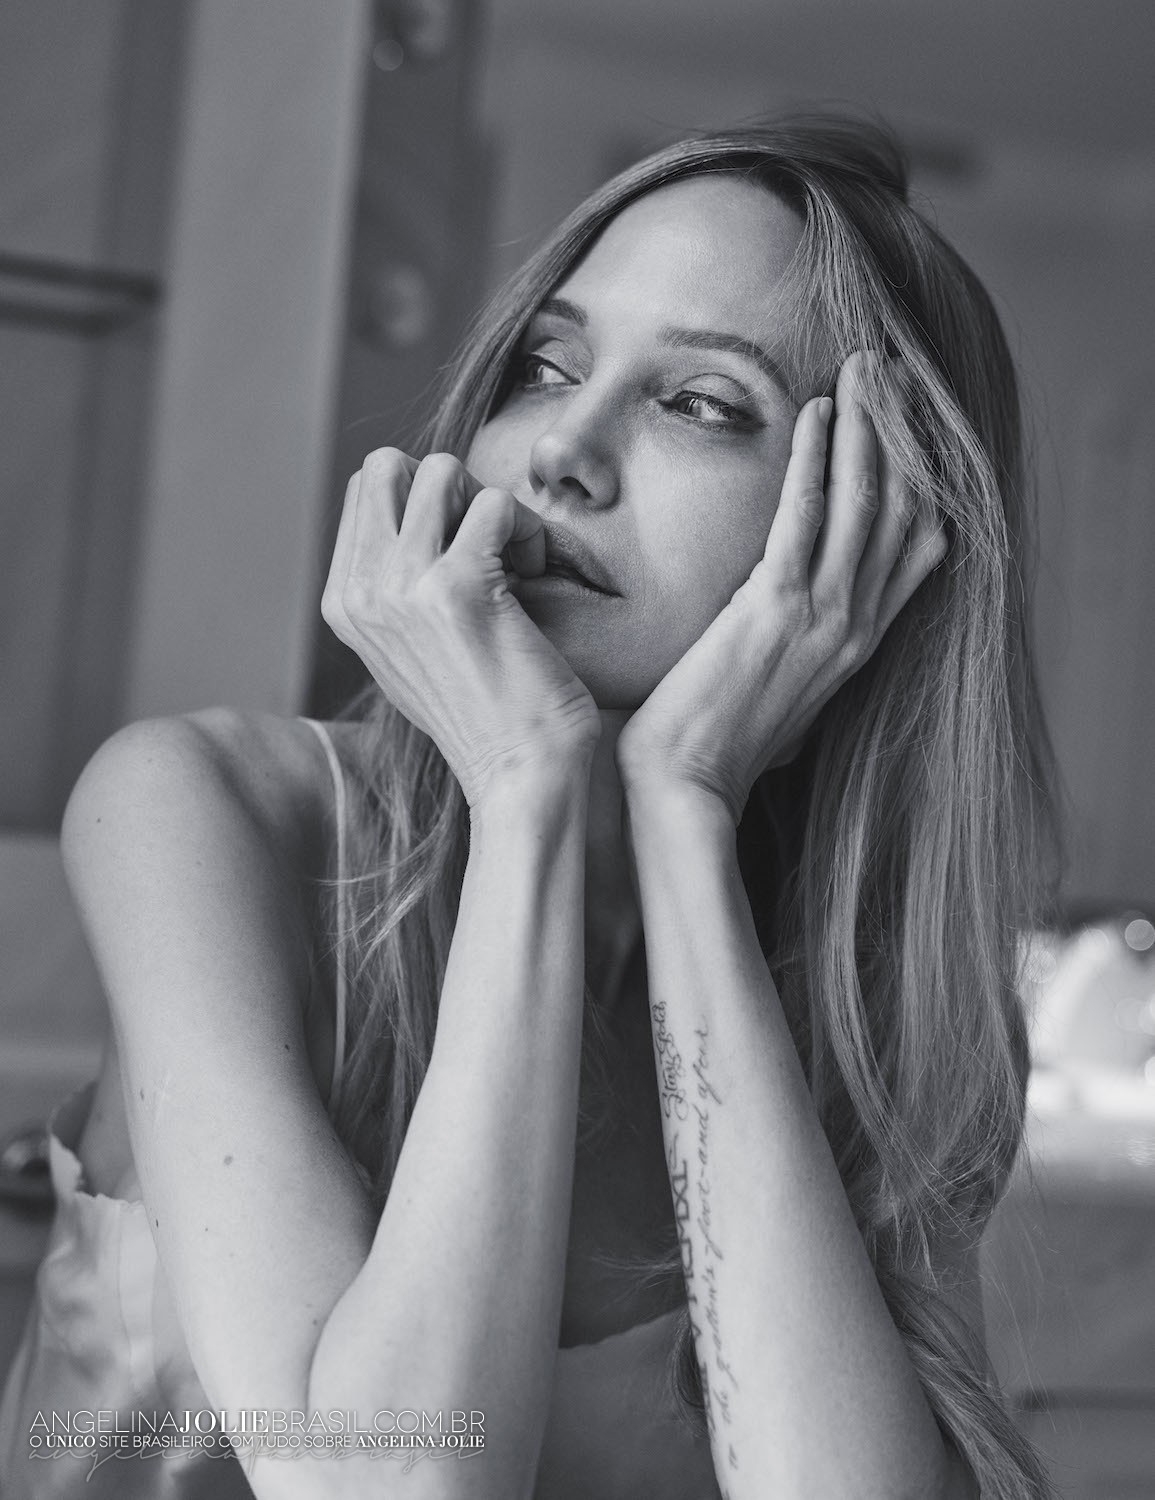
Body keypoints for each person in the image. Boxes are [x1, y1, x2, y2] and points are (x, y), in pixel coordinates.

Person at [0, 116, 1059, 1499]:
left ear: (870, 536)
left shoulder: (880, 1005)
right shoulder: (199, 811)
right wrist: (523, 786)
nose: (560, 448)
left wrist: (683, 812)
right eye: (545, 366)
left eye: (699, 403)